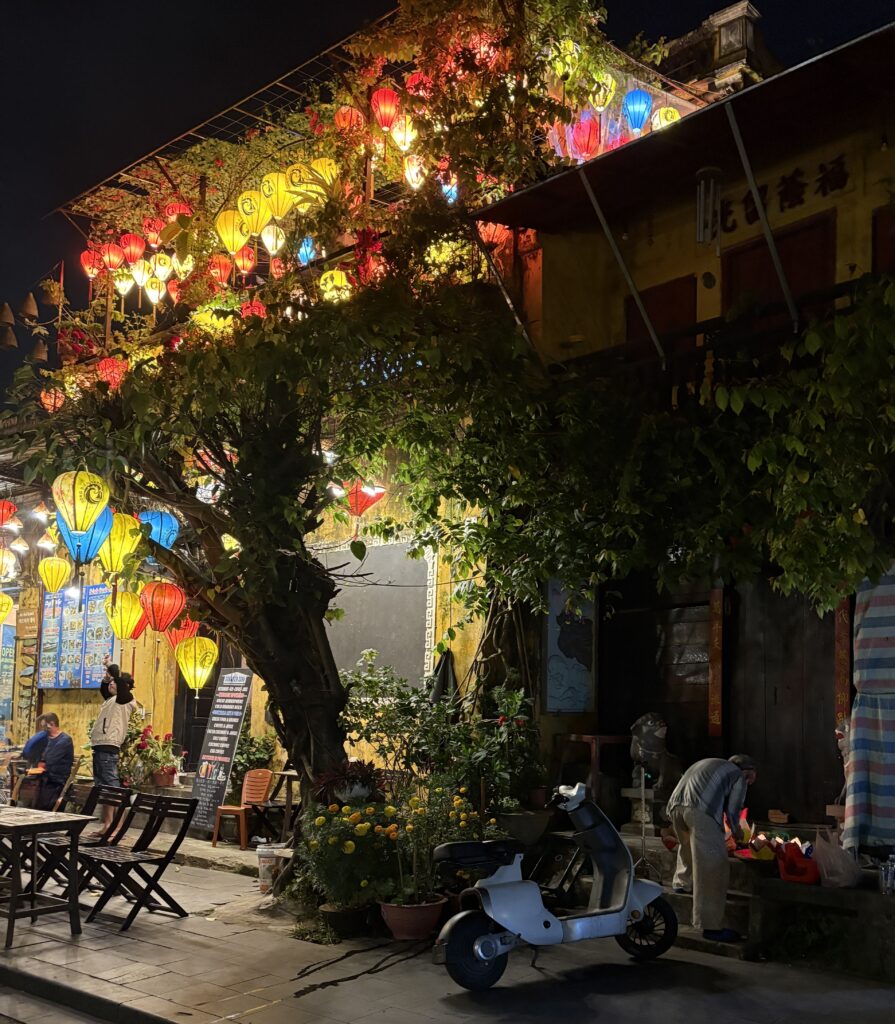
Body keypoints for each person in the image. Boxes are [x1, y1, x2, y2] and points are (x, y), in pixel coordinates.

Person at [666, 754, 757, 943]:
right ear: (747, 771)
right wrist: (738, 833)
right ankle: (710, 925)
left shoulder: (709, 763)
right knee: (713, 866)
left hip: (675, 806)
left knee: (688, 845)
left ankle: (682, 883)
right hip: (699, 810)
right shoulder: (737, 775)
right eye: (750, 779)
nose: (748, 784)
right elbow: (733, 811)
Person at [90, 658, 136, 828]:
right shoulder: (112, 700)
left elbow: (117, 674)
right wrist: (106, 677)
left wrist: (110, 666)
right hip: (100, 748)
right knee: (105, 790)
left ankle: (118, 827)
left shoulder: (125, 699)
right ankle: (108, 825)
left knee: (113, 789)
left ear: (124, 687)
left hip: (109, 749)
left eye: (115, 683)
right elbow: (104, 688)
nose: (112, 685)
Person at [22, 714, 75, 810]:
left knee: (40, 805)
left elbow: (49, 759)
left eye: (44, 726)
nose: (43, 730)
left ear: (52, 724)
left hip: (55, 781)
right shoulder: (46, 739)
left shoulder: (64, 740)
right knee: (22, 790)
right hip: (42, 778)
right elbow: (32, 757)